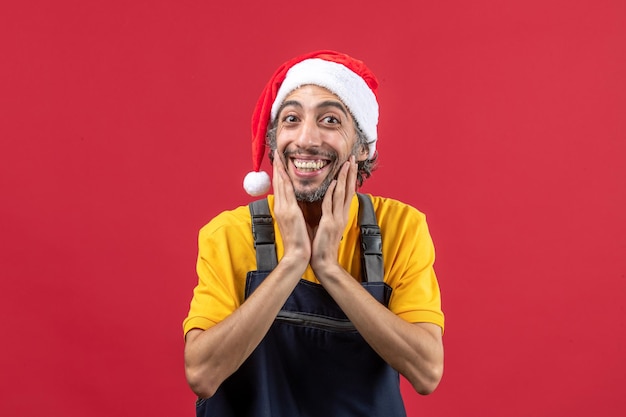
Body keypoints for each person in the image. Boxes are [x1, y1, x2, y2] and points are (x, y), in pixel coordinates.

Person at [183, 50, 444, 416]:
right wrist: (292, 263)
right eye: (291, 119)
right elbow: (202, 374)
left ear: (363, 146)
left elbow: (427, 371)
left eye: (330, 120)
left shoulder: (400, 229)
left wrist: (329, 268)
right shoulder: (227, 234)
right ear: (275, 142)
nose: (306, 138)